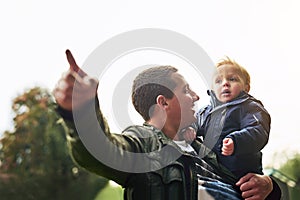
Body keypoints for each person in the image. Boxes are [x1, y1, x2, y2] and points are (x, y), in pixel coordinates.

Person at [53, 50, 281, 200]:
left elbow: (248, 180)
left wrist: (270, 187)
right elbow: (100, 150)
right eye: (185, 90)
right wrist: (81, 111)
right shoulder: (143, 145)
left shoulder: (205, 148)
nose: (197, 97)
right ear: (163, 103)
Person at [184, 57, 270, 180]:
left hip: (242, 175)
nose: (225, 83)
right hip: (213, 171)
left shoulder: (249, 106)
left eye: (232, 79)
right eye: (218, 81)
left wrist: (236, 141)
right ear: (212, 89)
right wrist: (189, 130)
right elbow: (193, 124)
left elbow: (258, 131)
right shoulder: (205, 112)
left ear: (246, 87)